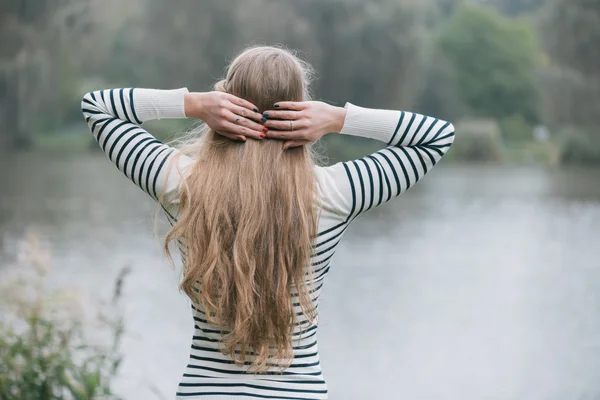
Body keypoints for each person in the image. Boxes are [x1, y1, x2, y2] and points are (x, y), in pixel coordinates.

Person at [81, 46, 455, 400]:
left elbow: (98, 107)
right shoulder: (335, 193)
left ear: (225, 102)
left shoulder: (182, 184)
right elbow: (436, 136)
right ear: (302, 108)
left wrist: (195, 105)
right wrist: (337, 118)